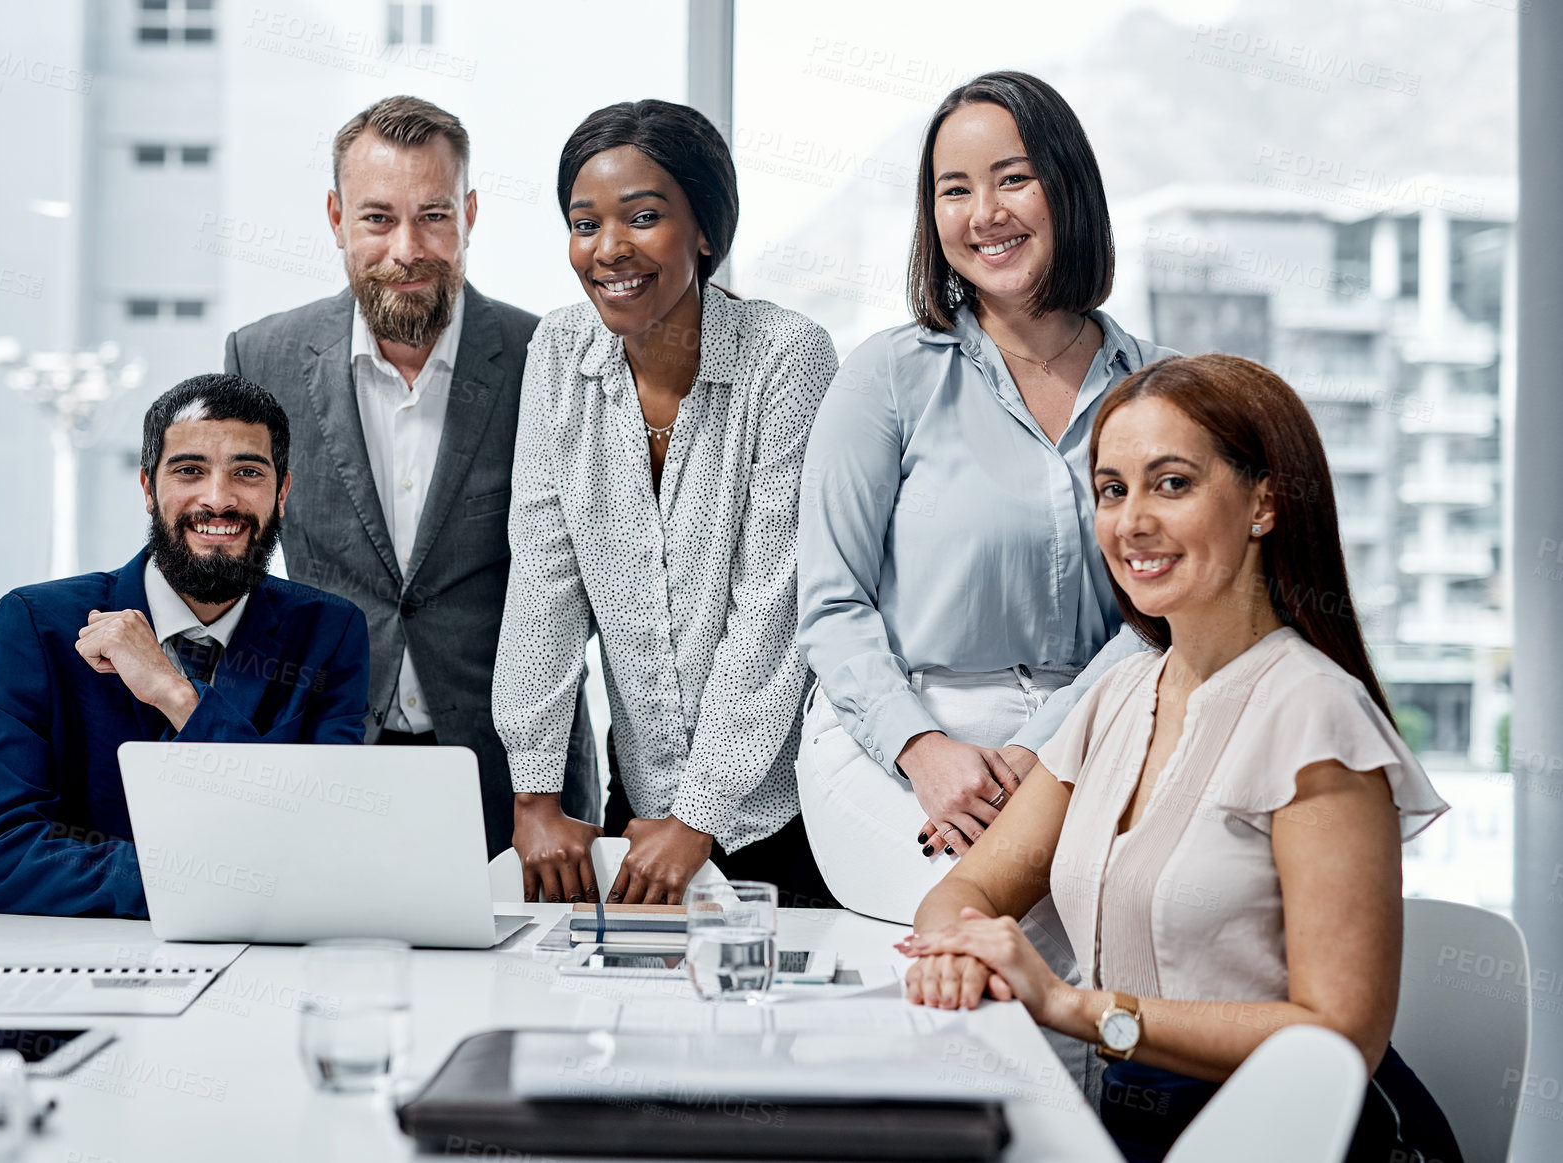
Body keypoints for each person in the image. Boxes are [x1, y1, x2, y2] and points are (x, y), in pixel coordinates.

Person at [899, 354, 1461, 1163]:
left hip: (1299, 1137)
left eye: (1171, 483)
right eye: (1111, 489)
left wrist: (1070, 1004)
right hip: (1136, 1126)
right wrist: (956, 947)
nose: (1130, 522)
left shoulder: (1317, 716)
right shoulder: (1118, 695)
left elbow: (1339, 1035)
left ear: (1264, 501)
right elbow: (971, 884)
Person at [796, 71, 1171, 1087]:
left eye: (1010, 178)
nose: (981, 213)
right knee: (1013, 906)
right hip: (888, 737)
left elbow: (1160, 619)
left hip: (1079, 739)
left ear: (1067, 189)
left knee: (1102, 903)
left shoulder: (1155, 390)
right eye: (951, 188)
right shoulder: (886, 376)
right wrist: (923, 746)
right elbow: (827, 605)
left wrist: (1041, 747)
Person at [224, 96, 599, 856]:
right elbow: (234, 572)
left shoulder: (552, 359)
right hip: (328, 764)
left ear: (468, 214)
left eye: (433, 215)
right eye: (377, 218)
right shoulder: (261, 360)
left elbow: (594, 582)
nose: (407, 247)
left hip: (519, 788)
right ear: (336, 218)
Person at [493, 99, 839, 907]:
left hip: (779, 815)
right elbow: (543, 582)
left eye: (643, 217)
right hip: (640, 806)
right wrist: (537, 794)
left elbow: (773, 607)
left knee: (761, 1025)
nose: (609, 249)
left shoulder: (786, 357)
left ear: (706, 230)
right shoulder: (557, 351)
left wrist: (700, 814)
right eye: (585, 224)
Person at [0, 375, 371, 918]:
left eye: (247, 472)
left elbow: (320, 842)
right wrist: (208, 882)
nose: (218, 499)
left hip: (263, 961)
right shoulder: (39, 624)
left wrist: (176, 694)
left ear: (282, 493)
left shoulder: (330, 632)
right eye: (189, 470)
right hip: (85, 960)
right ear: (149, 489)